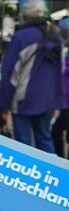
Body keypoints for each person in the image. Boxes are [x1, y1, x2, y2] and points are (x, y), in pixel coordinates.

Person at [0, 0, 65, 153]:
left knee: (23, 145)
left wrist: (4, 104)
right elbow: (59, 71)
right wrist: (56, 100)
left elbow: (9, 73)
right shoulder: (55, 36)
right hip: (47, 99)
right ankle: (50, 175)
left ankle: (24, 176)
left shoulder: (21, 37)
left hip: (23, 98)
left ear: (25, 16)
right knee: (44, 139)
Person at [51, 16, 69, 159]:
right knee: (56, 132)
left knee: (57, 132)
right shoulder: (63, 50)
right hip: (63, 100)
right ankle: (61, 162)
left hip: (65, 100)